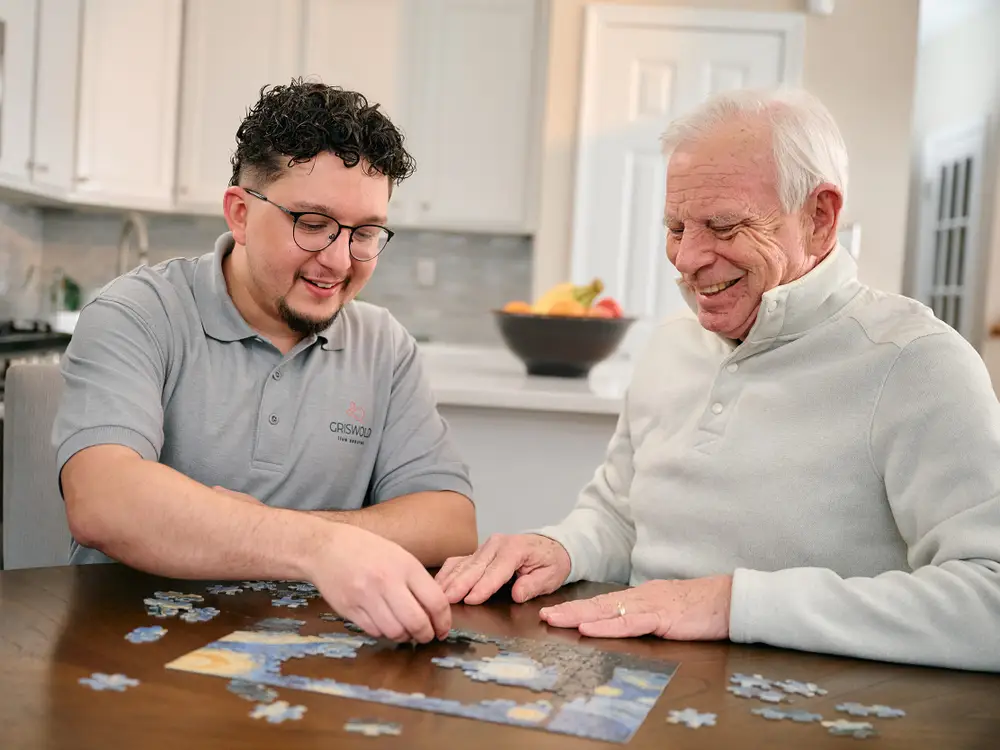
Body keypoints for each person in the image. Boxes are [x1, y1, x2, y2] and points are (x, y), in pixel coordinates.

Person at [436, 88, 1000, 672]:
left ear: (819, 217)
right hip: (633, 695)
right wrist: (562, 547)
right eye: (676, 226)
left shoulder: (916, 363)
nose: (686, 259)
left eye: (723, 226)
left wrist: (735, 603)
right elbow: (619, 516)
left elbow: (990, 602)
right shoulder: (668, 347)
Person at [53, 80, 477, 644]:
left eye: (366, 233)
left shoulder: (384, 345)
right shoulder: (136, 313)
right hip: (127, 647)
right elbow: (103, 501)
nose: (338, 260)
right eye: (313, 224)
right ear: (241, 215)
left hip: (310, 653)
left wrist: (293, 534)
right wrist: (320, 548)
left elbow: (450, 522)